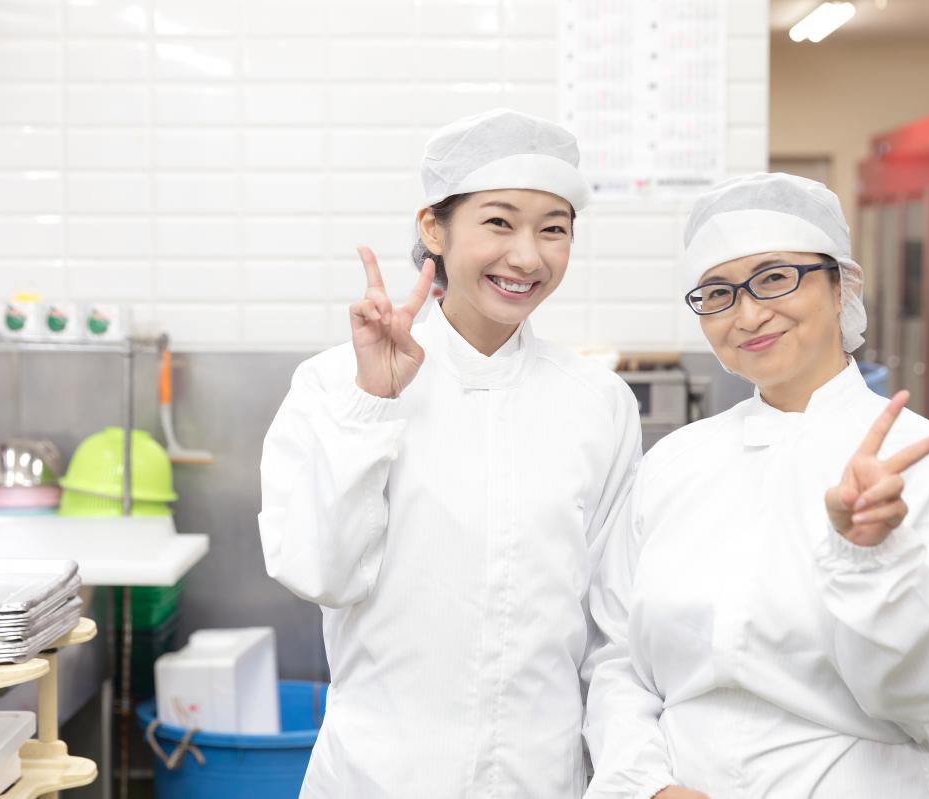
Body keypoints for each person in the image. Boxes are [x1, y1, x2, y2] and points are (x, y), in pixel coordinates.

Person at [259, 108, 643, 798]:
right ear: (433, 229)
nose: (527, 257)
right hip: (380, 778)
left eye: (553, 229)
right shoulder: (334, 383)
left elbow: (613, 631)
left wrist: (628, 776)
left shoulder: (598, 402)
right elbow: (319, 572)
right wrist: (371, 404)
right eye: (499, 222)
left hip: (541, 779)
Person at [583, 172, 929, 799]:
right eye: (718, 293)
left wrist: (873, 560)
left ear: (842, 285)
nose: (748, 314)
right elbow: (615, 656)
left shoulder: (918, 462)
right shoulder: (675, 462)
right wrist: (646, 784)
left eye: (775, 277)